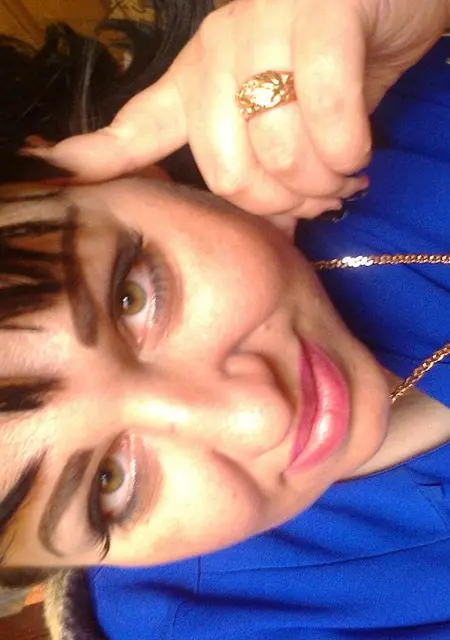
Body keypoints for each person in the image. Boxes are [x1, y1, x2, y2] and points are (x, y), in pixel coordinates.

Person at [0, 0, 449, 638]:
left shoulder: (371, 92)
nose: (259, 414)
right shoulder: (233, 622)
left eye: (131, 299)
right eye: (108, 483)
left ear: (99, 169)